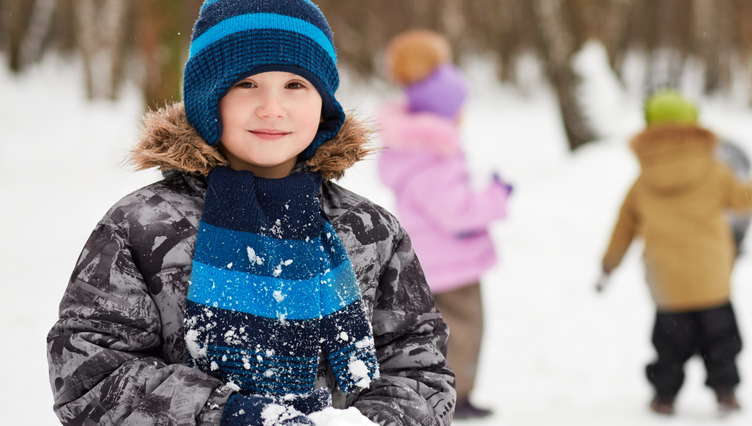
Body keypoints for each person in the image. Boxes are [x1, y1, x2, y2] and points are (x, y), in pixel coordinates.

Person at [46, 2, 455, 425]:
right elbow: (90, 373)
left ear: (323, 103)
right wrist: (232, 416)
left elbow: (419, 369)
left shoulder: (370, 230)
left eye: (295, 84)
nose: (272, 108)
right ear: (207, 97)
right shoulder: (143, 225)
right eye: (246, 83)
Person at [597, 90, 752, 416]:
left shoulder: (643, 181)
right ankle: (725, 392)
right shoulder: (714, 170)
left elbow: (623, 227)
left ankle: (664, 396)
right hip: (712, 280)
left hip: (667, 283)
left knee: (669, 345)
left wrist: (609, 264)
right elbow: (742, 198)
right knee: (721, 340)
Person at [376, 30, 511, 420]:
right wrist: (496, 197)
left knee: (438, 331)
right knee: (464, 329)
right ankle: (454, 395)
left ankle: (441, 390)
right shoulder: (431, 157)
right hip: (452, 263)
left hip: (432, 259)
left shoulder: (414, 151)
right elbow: (456, 211)